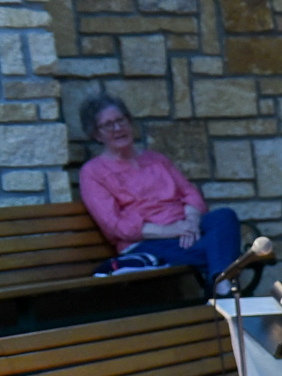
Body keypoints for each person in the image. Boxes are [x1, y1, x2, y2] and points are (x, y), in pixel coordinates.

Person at [77, 94, 245, 295]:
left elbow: (189, 192)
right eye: (108, 125)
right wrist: (171, 230)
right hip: (147, 242)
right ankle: (223, 287)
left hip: (185, 230)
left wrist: (191, 222)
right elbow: (116, 225)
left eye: (121, 120)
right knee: (220, 247)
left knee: (224, 216)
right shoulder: (93, 172)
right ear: (97, 135)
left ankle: (220, 285)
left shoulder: (155, 159)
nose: (117, 128)